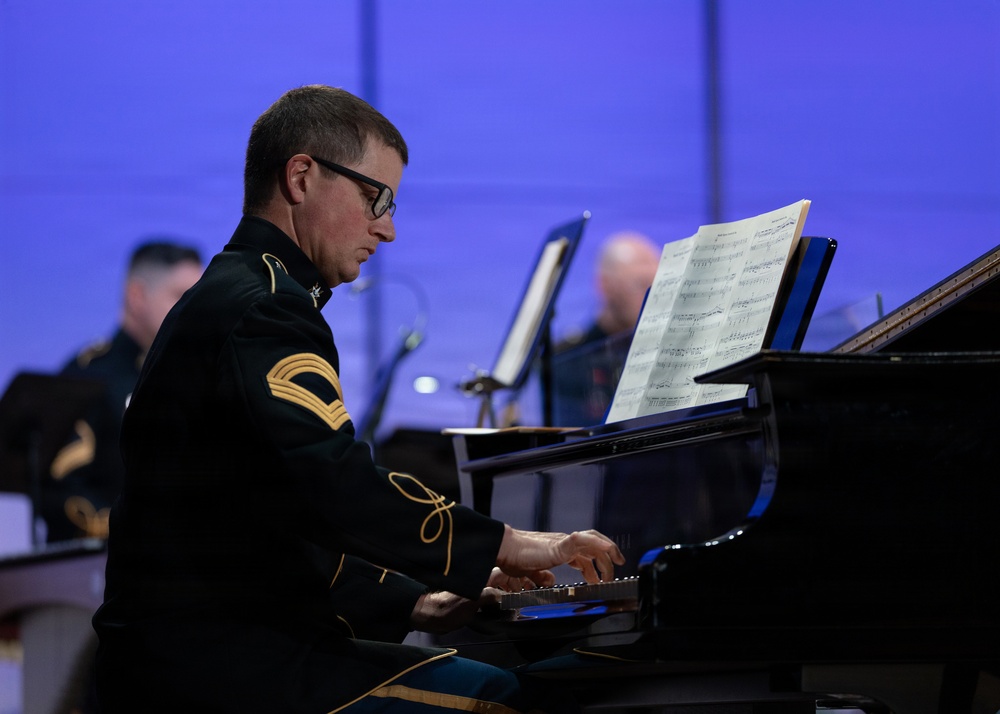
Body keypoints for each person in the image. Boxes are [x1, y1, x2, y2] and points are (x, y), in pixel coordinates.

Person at [92, 84, 624, 714]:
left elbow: (269, 516)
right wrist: (513, 542)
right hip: (221, 668)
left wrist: (416, 601)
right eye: (377, 197)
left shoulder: (239, 292)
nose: (388, 229)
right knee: (510, 700)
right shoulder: (266, 308)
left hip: (194, 655)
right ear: (302, 177)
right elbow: (336, 484)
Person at [44, 240, 202, 542]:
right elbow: (61, 493)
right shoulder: (89, 377)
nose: (194, 309)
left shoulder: (196, 377)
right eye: (180, 296)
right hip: (99, 571)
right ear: (137, 296)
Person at [551, 232, 661, 425]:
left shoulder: (668, 352)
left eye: (658, 286)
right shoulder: (566, 360)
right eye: (641, 284)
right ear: (605, 285)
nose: (652, 297)